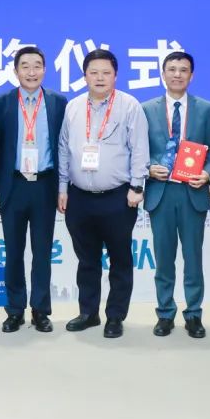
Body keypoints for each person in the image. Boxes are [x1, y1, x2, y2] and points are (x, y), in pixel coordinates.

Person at [58, 49, 149, 339]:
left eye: (106, 72)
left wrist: (137, 187)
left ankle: (115, 316)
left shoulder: (129, 106)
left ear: (115, 76)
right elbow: (63, 149)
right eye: (93, 72)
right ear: (85, 75)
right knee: (87, 260)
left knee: (120, 260)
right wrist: (62, 187)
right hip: (79, 197)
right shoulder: (73, 107)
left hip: (118, 197)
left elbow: (139, 149)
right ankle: (88, 313)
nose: (100, 78)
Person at [0, 46, 66, 333]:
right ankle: (14, 310)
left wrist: (63, 186)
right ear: (16, 71)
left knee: (42, 252)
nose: (31, 72)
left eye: (37, 66)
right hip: (13, 184)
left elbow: (64, 147)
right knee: (13, 251)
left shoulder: (58, 102)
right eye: (25, 66)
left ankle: (40, 310)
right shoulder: (2, 103)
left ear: (45, 70)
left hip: (45, 184)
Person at [142, 51, 210, 339]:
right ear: (163, 73)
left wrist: (208, 173)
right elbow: (138, 149)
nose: (177, 74)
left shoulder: (206, 109)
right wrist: (149, 168)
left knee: (193, 258)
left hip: (192, 192)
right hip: (160, 192)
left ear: (191, 75)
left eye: (183, 70)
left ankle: (194, 314)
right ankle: (165, 313)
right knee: (163, 259)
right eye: (171, 69)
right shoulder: (146, 109)